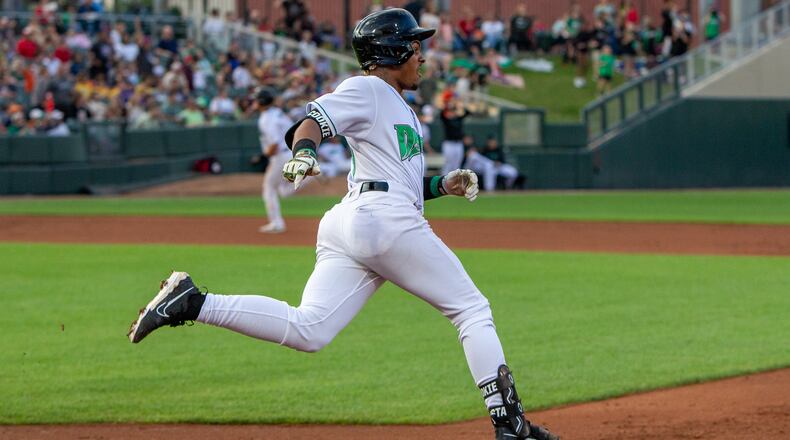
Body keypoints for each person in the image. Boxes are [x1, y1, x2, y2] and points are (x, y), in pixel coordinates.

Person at [127, 9, 559, 440]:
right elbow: (310, 123)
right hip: (381, 220)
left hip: (356, 220)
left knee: (309, 329)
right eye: (414, 46)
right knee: (471, 310)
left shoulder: (398, 107)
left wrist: (441, 185)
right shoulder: (368, 88)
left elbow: (394, 179)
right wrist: (305, 153)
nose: (421, 56)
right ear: (391, 50)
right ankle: (511, 426)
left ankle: (192, 303)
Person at [255, 87, 296, 233]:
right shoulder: (278, 113)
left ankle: (276, 223)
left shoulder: (266, 118)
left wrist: (263, 157)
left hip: (280, 155)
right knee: (281, 189)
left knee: (268, 188)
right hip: (291, 152)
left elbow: (274, 144)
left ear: (260, 102)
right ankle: (307, 175)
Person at [439, 96, 470, 175]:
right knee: (448, 164)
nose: (452, 112)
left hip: (458, 144)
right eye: (451, 111)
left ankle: (455, 184)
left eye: (453, 111)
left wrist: (460, 105)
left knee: (457, 165)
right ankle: (443, 183)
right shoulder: (447, 120)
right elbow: (441, 114)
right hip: (449, 144)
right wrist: (448, 106)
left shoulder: (459, 119)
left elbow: (468, 112)